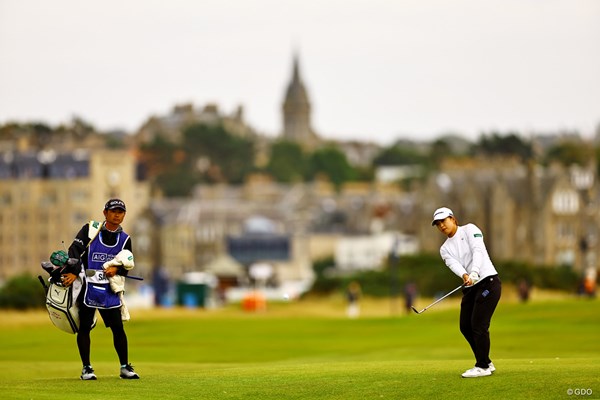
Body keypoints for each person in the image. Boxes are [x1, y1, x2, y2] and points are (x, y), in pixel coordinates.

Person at [61, 198, 140, 380]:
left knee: (118, 328)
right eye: (113, 211)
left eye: (120, 211)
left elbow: (127, 265)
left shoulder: (125, 239)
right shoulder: (91, 229)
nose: (117, 214)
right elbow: (74, 251)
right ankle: (87, 368)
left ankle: (124, 367)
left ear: (124, 215)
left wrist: (117, 269)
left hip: (110, 291)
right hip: (88, 288)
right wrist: (73, 272)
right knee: (85, 328)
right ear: (105, 213)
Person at [431, 207, 501, 378]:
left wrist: (475, 271)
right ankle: (486, 361)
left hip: (488, 282)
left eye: (444, 221)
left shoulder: (470, 229)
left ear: (453, 219)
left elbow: (478, 251)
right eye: (438, 224)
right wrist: (465, 275)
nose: (441, 226)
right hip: (471, 286)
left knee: (478, 325)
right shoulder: (444, 249)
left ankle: (482, 366)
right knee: (465, 326)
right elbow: (454, 264)